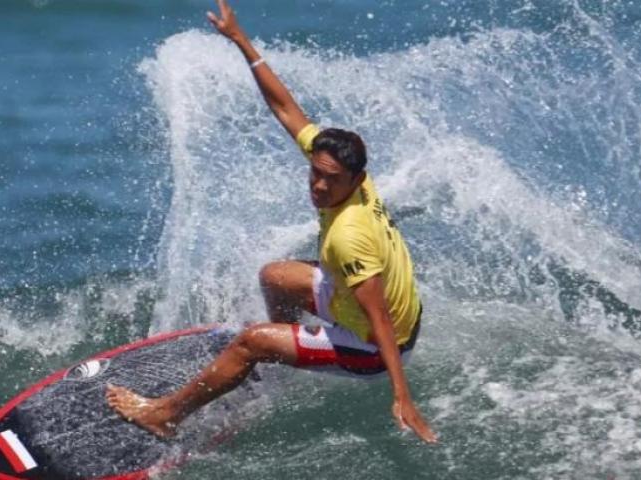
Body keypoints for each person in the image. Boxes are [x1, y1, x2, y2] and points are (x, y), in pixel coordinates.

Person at [106, 0, 436, 444]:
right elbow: (285, 108)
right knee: (275, 276)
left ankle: (165, 414)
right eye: (314, 172)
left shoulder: (348, 237)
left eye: (330, 180)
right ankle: (285, 360)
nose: (318, 186)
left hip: (376, 348)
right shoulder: (348, 173)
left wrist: (402, 394)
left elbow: (375, 313)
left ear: (354, 179)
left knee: (253, 341)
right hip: (377, 311)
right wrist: (242, 41)